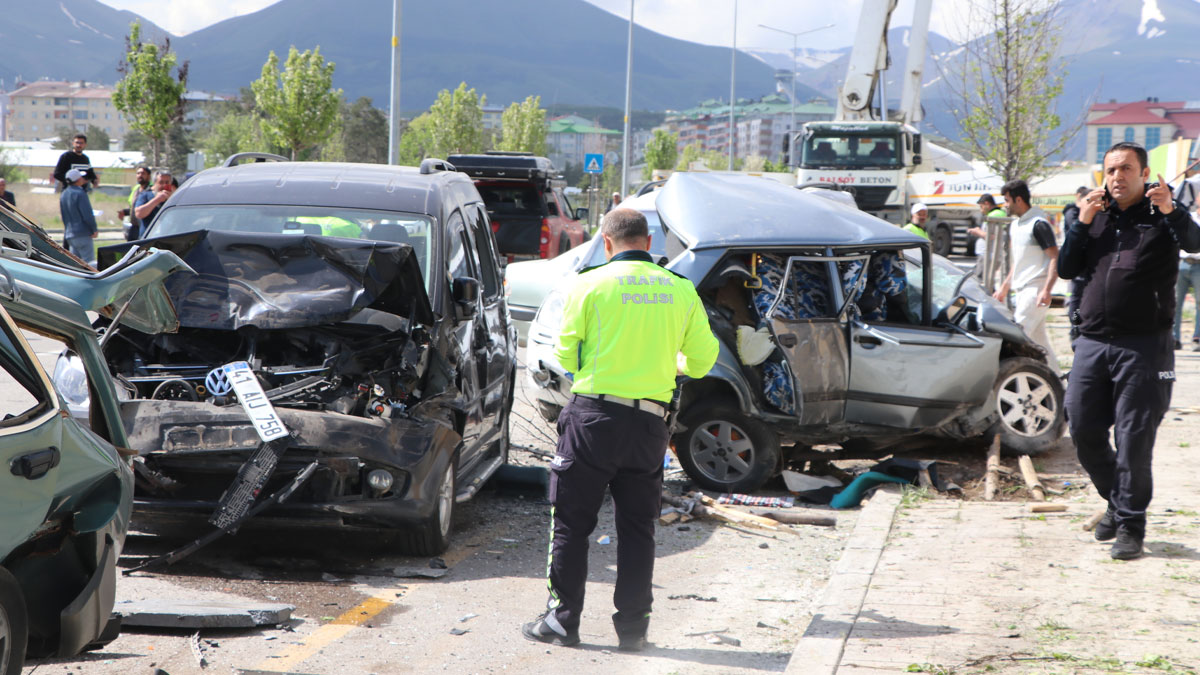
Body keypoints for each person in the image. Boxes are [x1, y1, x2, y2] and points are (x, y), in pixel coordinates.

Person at [523, 208, 718, 651]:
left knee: (571, 522)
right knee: (638, 528)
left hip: (593, 418)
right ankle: (633, 631)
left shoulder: (587, 284)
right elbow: (703, 362)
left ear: (607, 244)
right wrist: (669, 363)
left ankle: (561, 621)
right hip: (649, 424)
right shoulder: (681, 289)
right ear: (648, 244)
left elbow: (566, 357)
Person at [1058, 141, 1200, 560]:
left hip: (1144, 346)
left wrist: (1173, 210)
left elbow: (1194, 243)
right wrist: (1082, 222)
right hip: (1093, 341)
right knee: (1083, 429)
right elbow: (1067, 267)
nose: (1117, 176)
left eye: (1126, 169)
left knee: (1133, 438)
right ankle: (1118, 505)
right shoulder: (1094, 216)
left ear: (1144, 173)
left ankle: (1131, 527)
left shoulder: (1163, 217)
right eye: (1111, 169)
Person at [992, 179, 1060, 375]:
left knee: (1017, 339)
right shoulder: (1016, 225)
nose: (1005, 205)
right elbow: (1019, 261)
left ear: (1018, 199)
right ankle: (1061, 385)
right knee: (1040, 343)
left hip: (1035, 290)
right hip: (1022, 290)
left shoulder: (1039, 224)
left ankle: (1005, 380)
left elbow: (1055, 256)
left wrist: (1046, 289)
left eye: (1007, 200)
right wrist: (1005, 286)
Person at [59, 168, 98, 265]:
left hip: (70, 235)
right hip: (83, 234)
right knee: (89, 265)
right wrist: (94, 229)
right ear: (78, 179)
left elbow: (64, 216)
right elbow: (87, 214)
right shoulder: (80, 193)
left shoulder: (63, 194)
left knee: (76, 265)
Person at [121, 165, 151, 240]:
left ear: (149, 176)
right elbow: (133, 207)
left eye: (143, 173)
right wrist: (124, 212)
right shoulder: (136, 189)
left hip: (145, 227)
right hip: (134, 227)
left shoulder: (151, 190)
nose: (140, 175)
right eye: (138, 173)